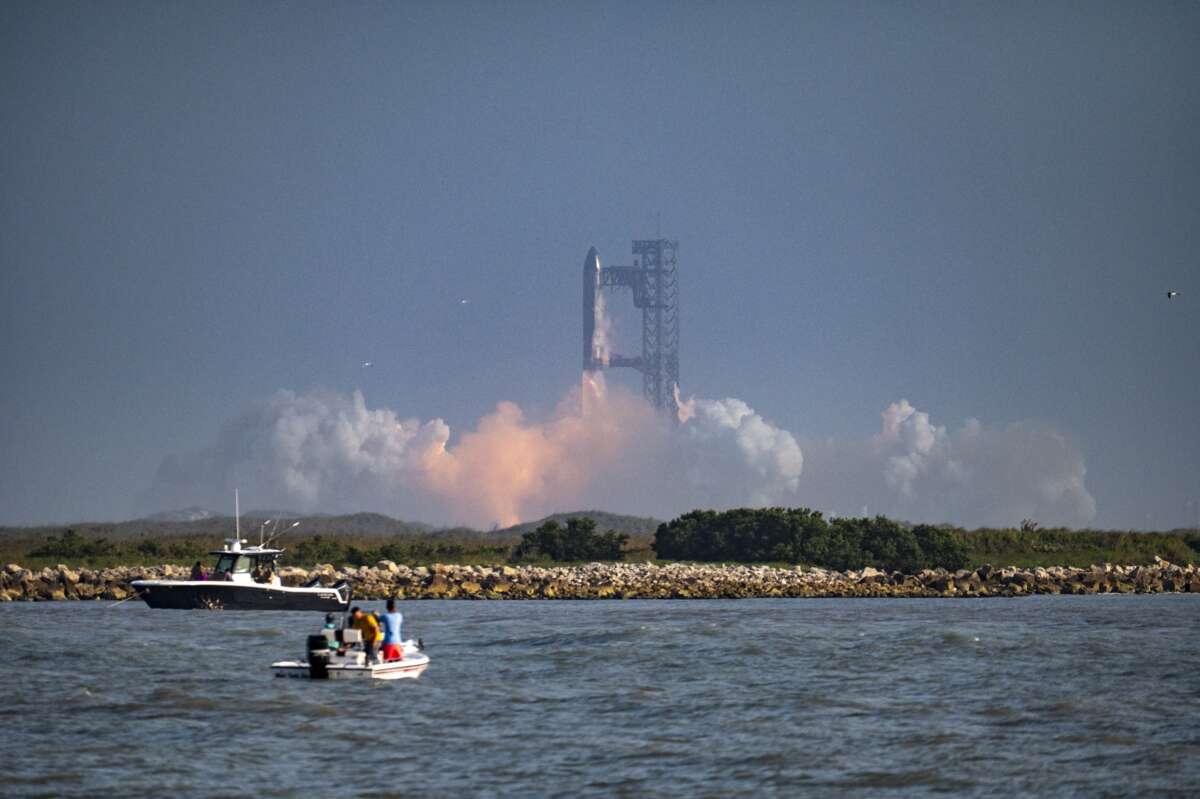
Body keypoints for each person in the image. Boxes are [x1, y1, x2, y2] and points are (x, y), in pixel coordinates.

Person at [379, 598, 404, 662]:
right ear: (395, 606)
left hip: (388, 642)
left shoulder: (385, 616)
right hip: (398, 642)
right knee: (398, 661)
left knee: (388, 662)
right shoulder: (399, 616)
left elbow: (377, 619)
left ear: (387, 607)